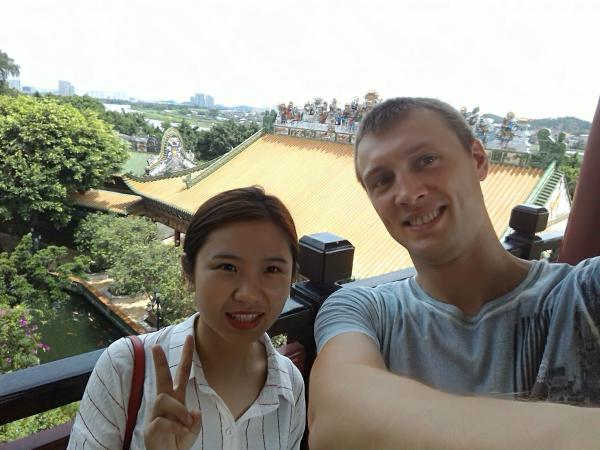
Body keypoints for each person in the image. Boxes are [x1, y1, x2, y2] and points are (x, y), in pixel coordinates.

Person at [308, 97, 600, 449]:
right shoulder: (364, 310)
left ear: (477, 159)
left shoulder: (585, 295)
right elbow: (337, 415)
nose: (408, 193)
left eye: (426, 160)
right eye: (382, 180)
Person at [68, 186, 305, 450]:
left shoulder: (290, 386)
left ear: (292, 277)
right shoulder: (125, 367)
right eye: (227, 267)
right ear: (189, 272)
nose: (248, 294)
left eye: (272, 269)